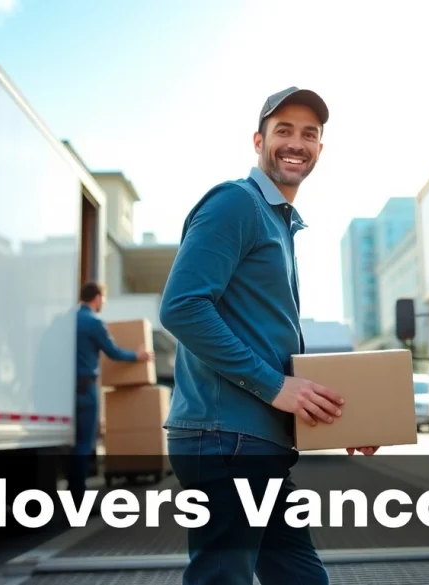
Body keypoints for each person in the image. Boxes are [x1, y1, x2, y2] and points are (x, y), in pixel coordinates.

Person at [158, 86, 378, 585]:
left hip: (256, 443)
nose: (296, 143)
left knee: (302, 579)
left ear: (320, 149)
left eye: (309, 134)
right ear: (259, 140)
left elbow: (269, 344)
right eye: (284, 131)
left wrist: (350, 419)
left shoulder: (279, 223)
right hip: (224, 439)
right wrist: (276, 387)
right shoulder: (236, 203)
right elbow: (182, 307)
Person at [71, 281, 152, 500]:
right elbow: (113, 352)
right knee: (83, 445)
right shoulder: (93, 323)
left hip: (65, 392)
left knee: (71, 445)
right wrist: (138, 356)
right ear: (97, 298)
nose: (103, 303)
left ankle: (73, 497)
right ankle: (78, 502)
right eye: (104, 299)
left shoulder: (67, 320)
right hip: (85, 389)